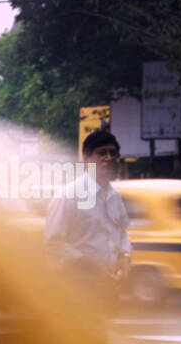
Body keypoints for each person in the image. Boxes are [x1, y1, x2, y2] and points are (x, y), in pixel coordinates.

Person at [44, 129, 130, 307]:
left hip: (107, 290)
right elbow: (54, 243)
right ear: (86, 159)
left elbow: (122, 233)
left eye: (113, 153)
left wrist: (125, 256)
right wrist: (90, 267)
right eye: (102, 153)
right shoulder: (68, 196)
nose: (109, 158)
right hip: (75, 290)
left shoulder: (114, 197)